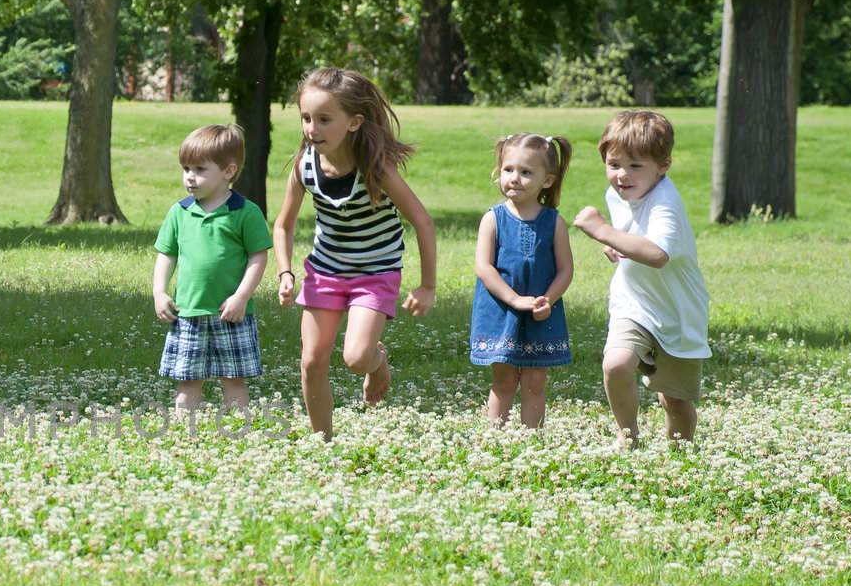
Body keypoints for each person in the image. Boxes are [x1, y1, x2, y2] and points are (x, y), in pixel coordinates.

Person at [271, 66, 438, 438]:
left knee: (356, 357)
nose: (311, 129)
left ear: (354, 122)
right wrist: (285, 272)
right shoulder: (305, 167)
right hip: (326, 271)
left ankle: (377, 363)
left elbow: (423, 222)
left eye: (324, 119)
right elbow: (283, 224)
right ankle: (322, 441)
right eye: (306, 118)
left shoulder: (376, 169)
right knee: (312, 361)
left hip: (375, 272)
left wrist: (427, 285)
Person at [573, 110, 709, 445]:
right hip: (633, 304)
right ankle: (627, 436)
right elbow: (633, 237)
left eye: (636, 166)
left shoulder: (666, 204)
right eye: (614, 164)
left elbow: (657, 255)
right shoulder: (618, 193)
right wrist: (615, 243)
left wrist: (603, 231)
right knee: (616, 364)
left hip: (677, 313)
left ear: (663, 165)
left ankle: (681, 457)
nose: (622, 175)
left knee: (674, 400)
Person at [152, 124, 272, 412]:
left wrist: (241, 297)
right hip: (188, 313)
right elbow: (166, 254)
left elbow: (259, 257)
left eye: (200, 169)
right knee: (187, 381)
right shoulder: (179, 212)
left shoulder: (245, 212)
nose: (190, 177)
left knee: (234, 379)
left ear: (228, 172)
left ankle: (237, 432)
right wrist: (159, 291)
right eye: (186, 168)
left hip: (230, 313)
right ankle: (185, 434)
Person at [469, 133, 575, 427]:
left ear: (548, 180)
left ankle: (531, 439)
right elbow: (484, 267)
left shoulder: (554, 222)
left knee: (535, 381)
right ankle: (496, 437)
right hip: (501, 310)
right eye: (508, 170)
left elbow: (565, 269)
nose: (515, 178)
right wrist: (514, 299)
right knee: (503, 379)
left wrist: (549, 300)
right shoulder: (493, 218)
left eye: (526, 172)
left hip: (541, 313)